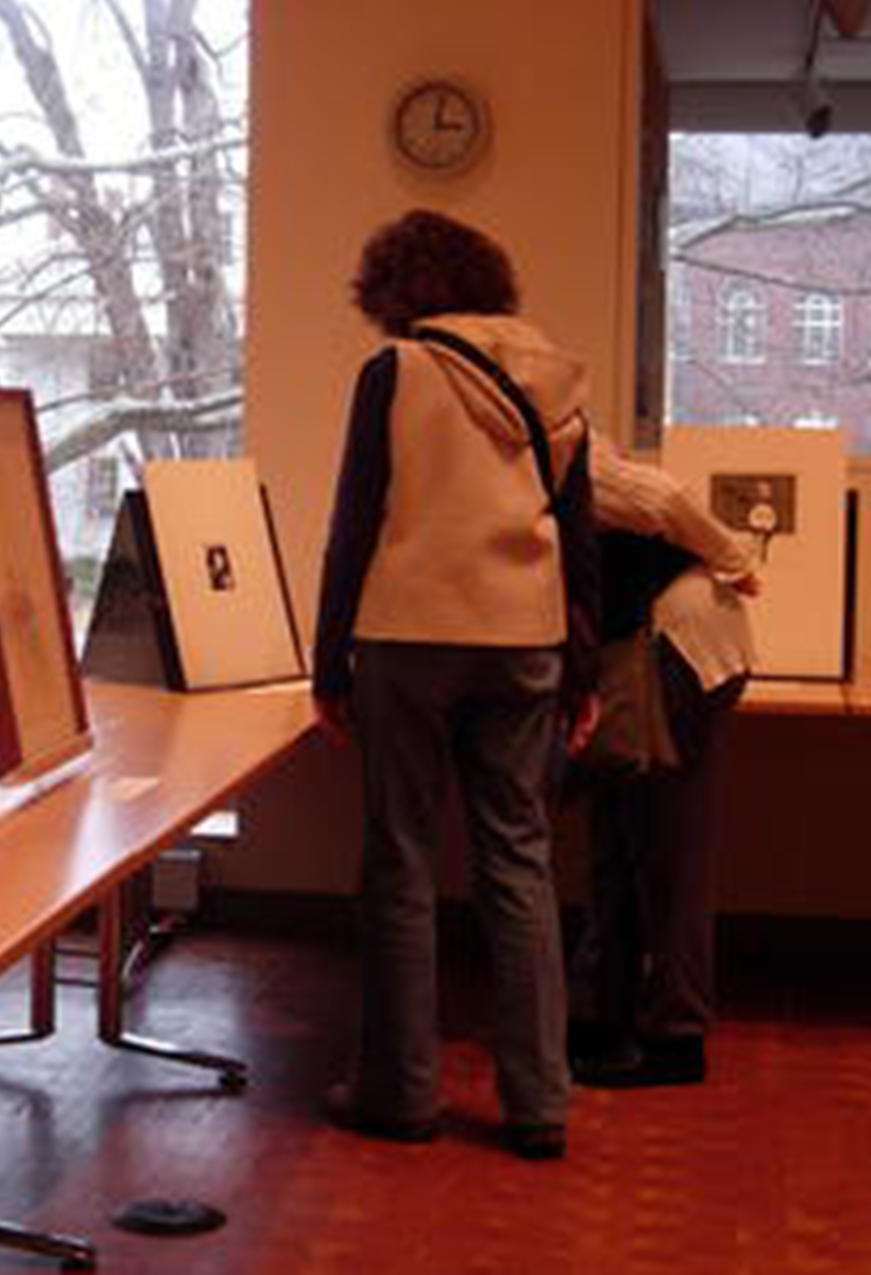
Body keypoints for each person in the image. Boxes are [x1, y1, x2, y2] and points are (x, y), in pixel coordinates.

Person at [311, 209, 600, 1161]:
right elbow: (579, 531)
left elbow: (356, 518)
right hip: (527, 635)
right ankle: (539, 1103)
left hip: (409, 634)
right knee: (519, 862)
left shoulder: (397, 373)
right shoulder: (553, 376)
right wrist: (581, 670)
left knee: (399, 859)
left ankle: (401, 1093)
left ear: (394, 290)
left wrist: (328, 660)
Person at [566, 433, 760, 1087]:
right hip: (638, 655)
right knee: (616, 838)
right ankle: (605, 1012)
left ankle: (675, 1033)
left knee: (668, 844)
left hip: (677, 650)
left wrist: (737, 559)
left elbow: (660, 495)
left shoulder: (557, 444)